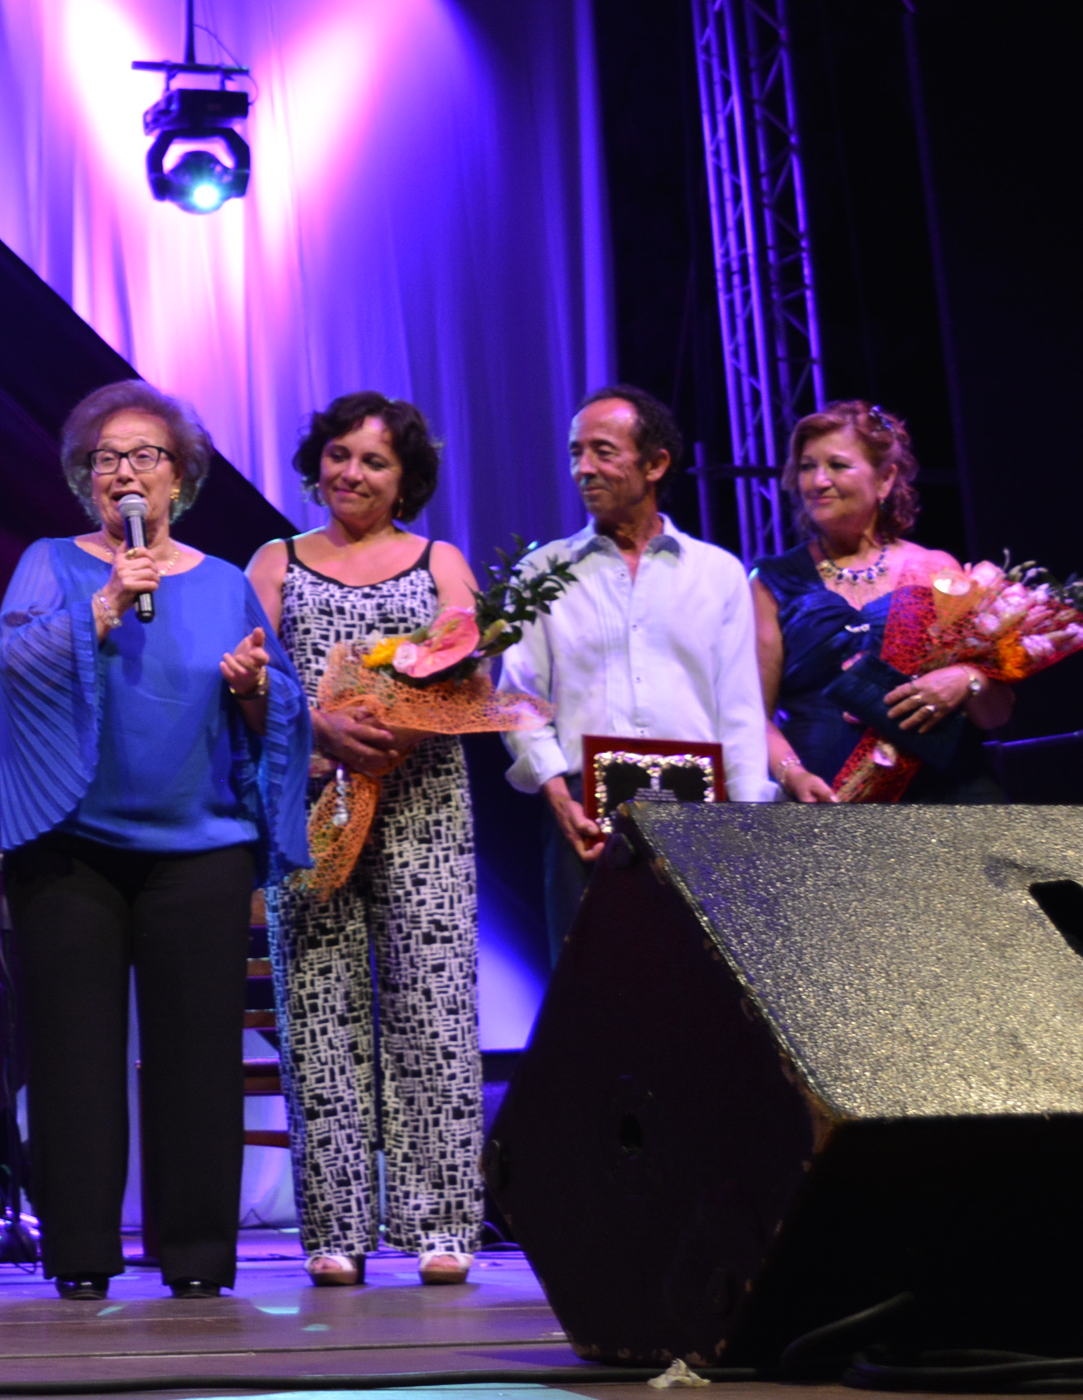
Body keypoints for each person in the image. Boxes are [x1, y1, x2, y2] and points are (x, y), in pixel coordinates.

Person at [0, 379, 307, 1302]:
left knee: (198, 1058)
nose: (127, 473)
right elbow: (13, 671)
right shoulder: (53, 562)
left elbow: (280, 714)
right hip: (70, 843)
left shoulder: (228, 581)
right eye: (107, 459)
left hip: (198, 849)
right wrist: (105, 603)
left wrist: (251, 687)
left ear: (181, 480)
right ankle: (81, 1252)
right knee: (75, 1057)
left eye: (146, 457)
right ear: (87, 481)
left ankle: (197, 1255)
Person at [244, 394, 482, 1290]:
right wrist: (319, 732)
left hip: (421, 800)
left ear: (405, 478)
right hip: (313, 801)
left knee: (432, 1001)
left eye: (375, 462)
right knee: (317, 1010)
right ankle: (334, 1228)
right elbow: (240, 681)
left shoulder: (438, 560)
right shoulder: (277, 561)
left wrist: (402, 731)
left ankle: (442, 1221)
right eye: (339, 455)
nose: (352, 474)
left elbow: (471, 669)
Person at [498, 385, 772, 957]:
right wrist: (557, 798)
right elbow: (520, 699)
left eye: (602, 451)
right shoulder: (542, 571)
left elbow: (741, 709)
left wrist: (748, 825)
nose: (583, 469)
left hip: (702, 812)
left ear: (656, 464)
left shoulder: (717, 572)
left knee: (696, 996)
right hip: (584, 810)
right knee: (591, 995)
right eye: (575, 453)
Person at [755, 401, 1011, 804]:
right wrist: (793, 775)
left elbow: (995, 713)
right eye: (807, 466)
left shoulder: (936, 570)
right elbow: (753, 715)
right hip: (829, 804)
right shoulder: (771, 581)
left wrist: (966, 680)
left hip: (943, 802)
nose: (818, 481)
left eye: (838, 465)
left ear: (886, 479)